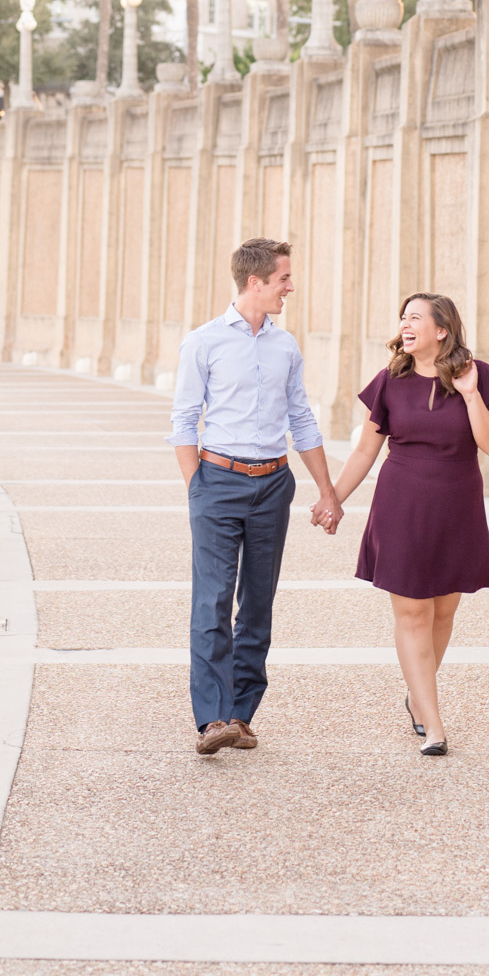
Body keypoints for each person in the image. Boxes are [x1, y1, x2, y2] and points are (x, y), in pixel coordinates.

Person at [318, 292, 489, 757]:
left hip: (457, 508)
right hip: (401, 506)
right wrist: (333, 498)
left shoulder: (478, 376)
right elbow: (366, 450)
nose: (405, 325)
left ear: (441, 330)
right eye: (403, 318)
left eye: (415, 318)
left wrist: (468, 397)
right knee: (413, 613)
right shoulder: (389, 381)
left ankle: (416, 695)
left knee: (443, 612)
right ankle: (434, 721)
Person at [171, 238, 342, 756]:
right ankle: (211, 718)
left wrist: (327, 491)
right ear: (256, 282)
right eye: (284, 278)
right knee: (214, 597)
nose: (290, 287)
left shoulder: (285, 346)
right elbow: (182, 420)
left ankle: (241, 714)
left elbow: (300, 418)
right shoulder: (202, 343)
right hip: (217, 481)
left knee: (258, 603)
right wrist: (196, 488)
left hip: (273, 483)